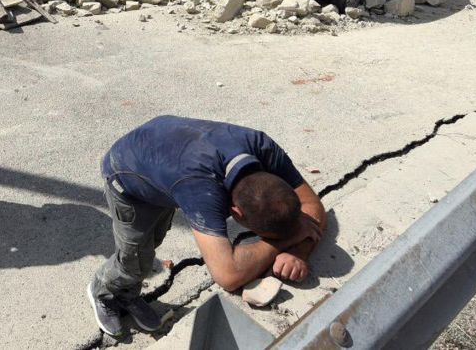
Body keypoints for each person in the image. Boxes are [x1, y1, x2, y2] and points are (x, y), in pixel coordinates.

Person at [87, 115, 326, 336]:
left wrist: (297, 253)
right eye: (267, 237)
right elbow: (228, 275)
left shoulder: (262, 147)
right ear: (235, 213)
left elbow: (310, 203)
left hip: (165, 157)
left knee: (153, 240)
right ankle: (104, 292)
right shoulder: (200, 191)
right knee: (135, 258)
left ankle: (127, 293)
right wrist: (285, 241)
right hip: (127, 175)